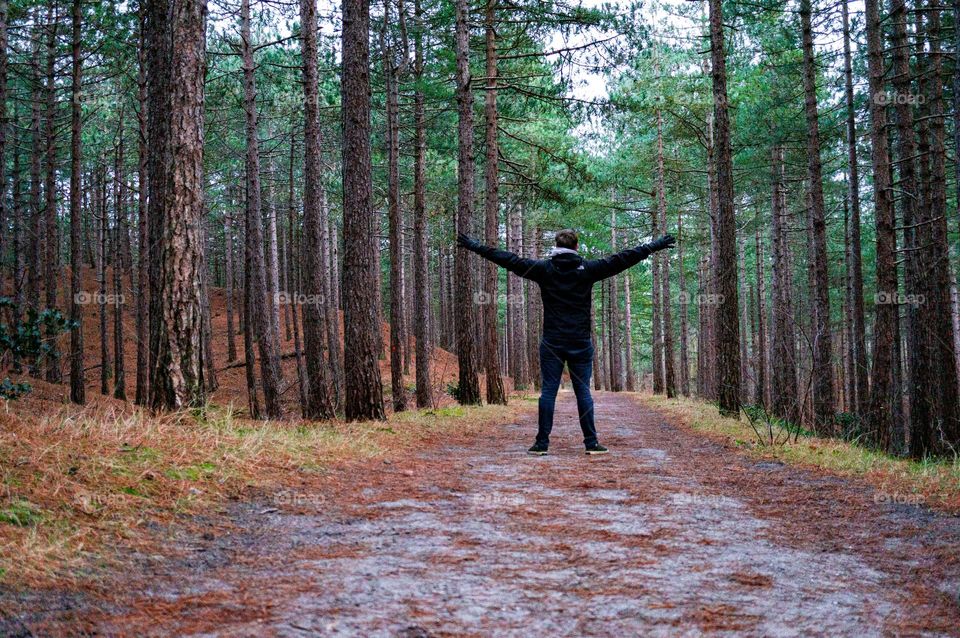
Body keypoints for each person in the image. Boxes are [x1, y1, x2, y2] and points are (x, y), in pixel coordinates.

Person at [457, 228, 675, 455]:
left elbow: (510, 260)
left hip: (552, 342)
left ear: (556, 246)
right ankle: (591, 443)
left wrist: (475, 246)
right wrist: (654, 245)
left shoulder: (544, 269)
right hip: (580, 342)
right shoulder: (588, 269)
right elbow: (622, 259)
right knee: (583, 392)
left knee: (548, 391)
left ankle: (541, 444)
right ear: (576, 246)